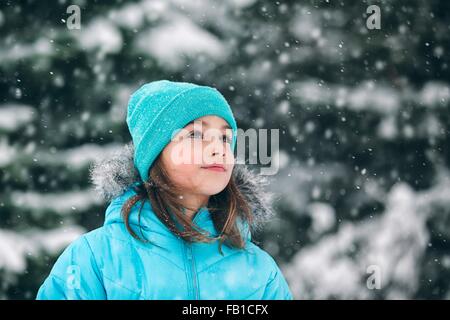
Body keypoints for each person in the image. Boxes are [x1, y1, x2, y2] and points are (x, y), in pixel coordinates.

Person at [36, 80, 293, 300]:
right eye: (195, 135)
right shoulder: (96, 258)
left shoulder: (259, 271)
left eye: (225, 138)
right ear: (155, 155)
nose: (217, 149)